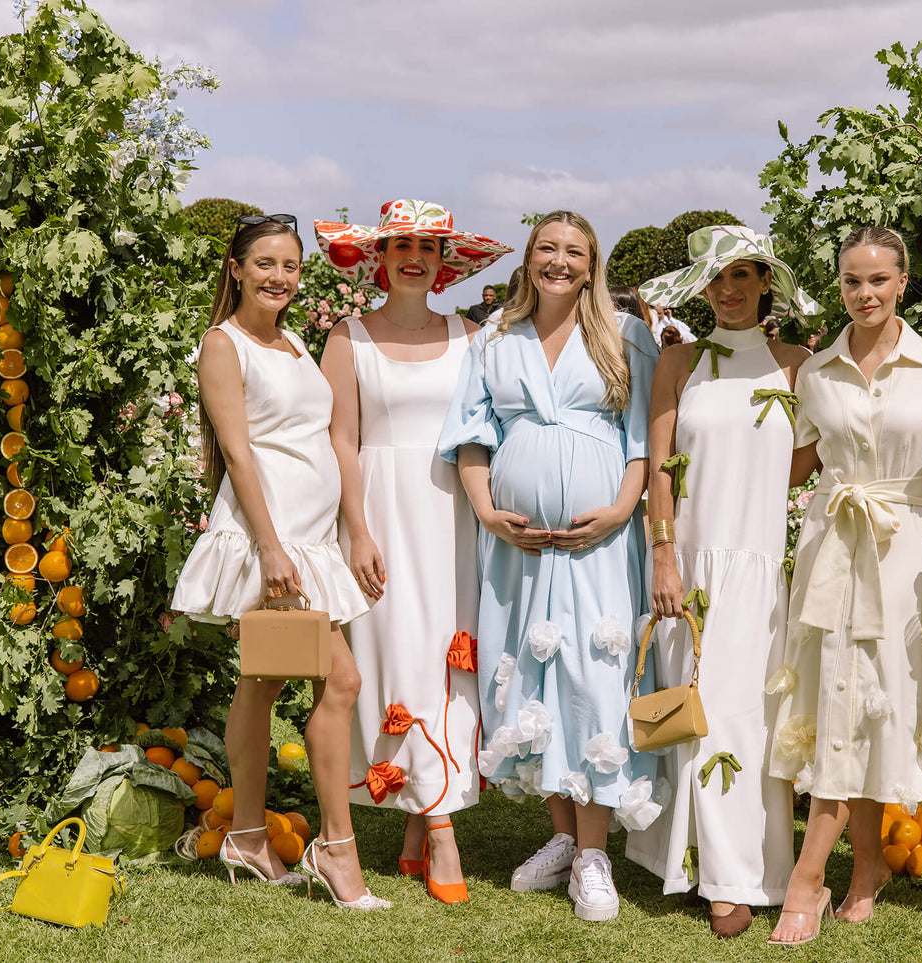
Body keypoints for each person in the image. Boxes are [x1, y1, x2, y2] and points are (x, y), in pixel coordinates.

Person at [437, 210, 661, 922]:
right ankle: (563, 838)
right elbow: (472, 435)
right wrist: (486, 509)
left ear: (592, 267)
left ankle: (595, 855)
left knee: (594, 674)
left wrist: (621, 509)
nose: (559, 262)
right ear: (529, 259)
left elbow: (642, 439)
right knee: (535, 675)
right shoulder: (494, 339)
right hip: (520, 545)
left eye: (574, 252)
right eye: (546, 249)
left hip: (601, 542)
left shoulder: (627, 336)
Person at [171, 215, 386, 910]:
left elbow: (319, 439)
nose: (278, 277)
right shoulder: (223, 344)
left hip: (311, 538)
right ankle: (336, 848)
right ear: (235, 269)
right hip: (273, 539)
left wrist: (350, 529)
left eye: (290, 266)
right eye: (264, 263)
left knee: (262, 683)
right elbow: (237, 453)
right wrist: (269, 547)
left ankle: (246, 834)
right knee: (340, 679)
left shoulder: (295, 341)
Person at [767, 225, 922, 945]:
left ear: (903, 282)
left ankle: (846, 871)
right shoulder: (815, 371)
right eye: (852, 280)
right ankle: (830, 872)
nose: (865, 293)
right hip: (831, 542)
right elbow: (790, 465)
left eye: (879, 279)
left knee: (882, 697)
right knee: (836, 692)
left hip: (905, 547)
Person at [315, 199, 512, 904]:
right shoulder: (348, 336)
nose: (414, 258)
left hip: (453, 511)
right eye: (401, 245)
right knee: (395, 651)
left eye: (428, 247)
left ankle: (421, 818)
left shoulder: (472, 336)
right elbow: (340, 439)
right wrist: (357, 528)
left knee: (447, 651)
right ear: (379, 256)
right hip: (379, 511)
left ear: (443, 262)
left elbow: (485, 431)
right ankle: (439, 826)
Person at [626, 226, 819, 938]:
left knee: (745, 717)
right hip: (692, 565)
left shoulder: (797, 364)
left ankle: (737, 874)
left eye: (742, 274)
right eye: (716, 278)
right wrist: (664, 554)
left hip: (761, 566)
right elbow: (660, 464)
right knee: (694, 709)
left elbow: (803, 464)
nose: (728, 289)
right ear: (700, 289)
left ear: (766, 282)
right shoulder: (679, 361)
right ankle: (692, 864)